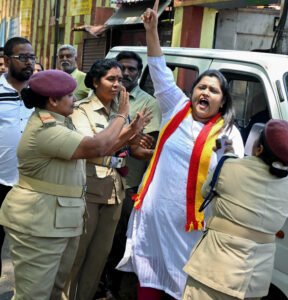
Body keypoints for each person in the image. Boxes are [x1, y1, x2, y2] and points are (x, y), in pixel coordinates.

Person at [116, 5, 244, 300]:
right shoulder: (176, 108)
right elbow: (159, 68)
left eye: (213, 91)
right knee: (148, 282)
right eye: (201, 87)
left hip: (190, 229)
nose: (205, 93)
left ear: (222, 102)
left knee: (183, 288)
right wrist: (151, 31)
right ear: (192, 91)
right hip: (154, 217)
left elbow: (230, 176)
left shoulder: (227, 134)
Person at [0, 69, 150, 300]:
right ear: (52, 100)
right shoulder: (46, 129)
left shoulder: (61, 122)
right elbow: (96, 148)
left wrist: (130, 130)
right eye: (70, 95)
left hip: (57, 221)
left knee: (54, 290)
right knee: (33, 294)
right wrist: (121, 115)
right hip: (38, 222)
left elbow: (96, 150)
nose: (75, 99)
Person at [67, 58, 153, 300]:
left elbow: (126, 148)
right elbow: (97, 148)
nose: (117, 84)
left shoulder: (119, 111)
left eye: (120, 80)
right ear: (95, 82)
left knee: (99, 256)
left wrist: (135, 137)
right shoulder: (81, 110)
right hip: (89, 186)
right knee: (78, 253)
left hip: (115, 187)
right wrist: (128, 126)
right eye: (111, 79)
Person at [183, 119, 288, 300]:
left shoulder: (228, 167)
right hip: (254, 282)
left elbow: (206, 191)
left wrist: (224, 157)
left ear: (259, 149)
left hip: (214, 273)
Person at [102, 50, 162, 299]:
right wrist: (130, 138)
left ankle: (111, 288)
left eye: (132, 70)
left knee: (118, 241)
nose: (126, 74)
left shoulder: (149, 103)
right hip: (95, 179)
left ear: (139, 73)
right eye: (122, 69)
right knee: (94, 239)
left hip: (129, 184)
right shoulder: (104, 96)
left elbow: (148, 144)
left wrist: (128, 141)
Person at [0, 37, 35, 277]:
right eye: (22, 57)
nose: (29, 62)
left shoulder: (41, 92)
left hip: (33, 186)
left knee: (30, 253)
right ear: (6, 60)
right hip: (1, 182)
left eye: (31, 57)